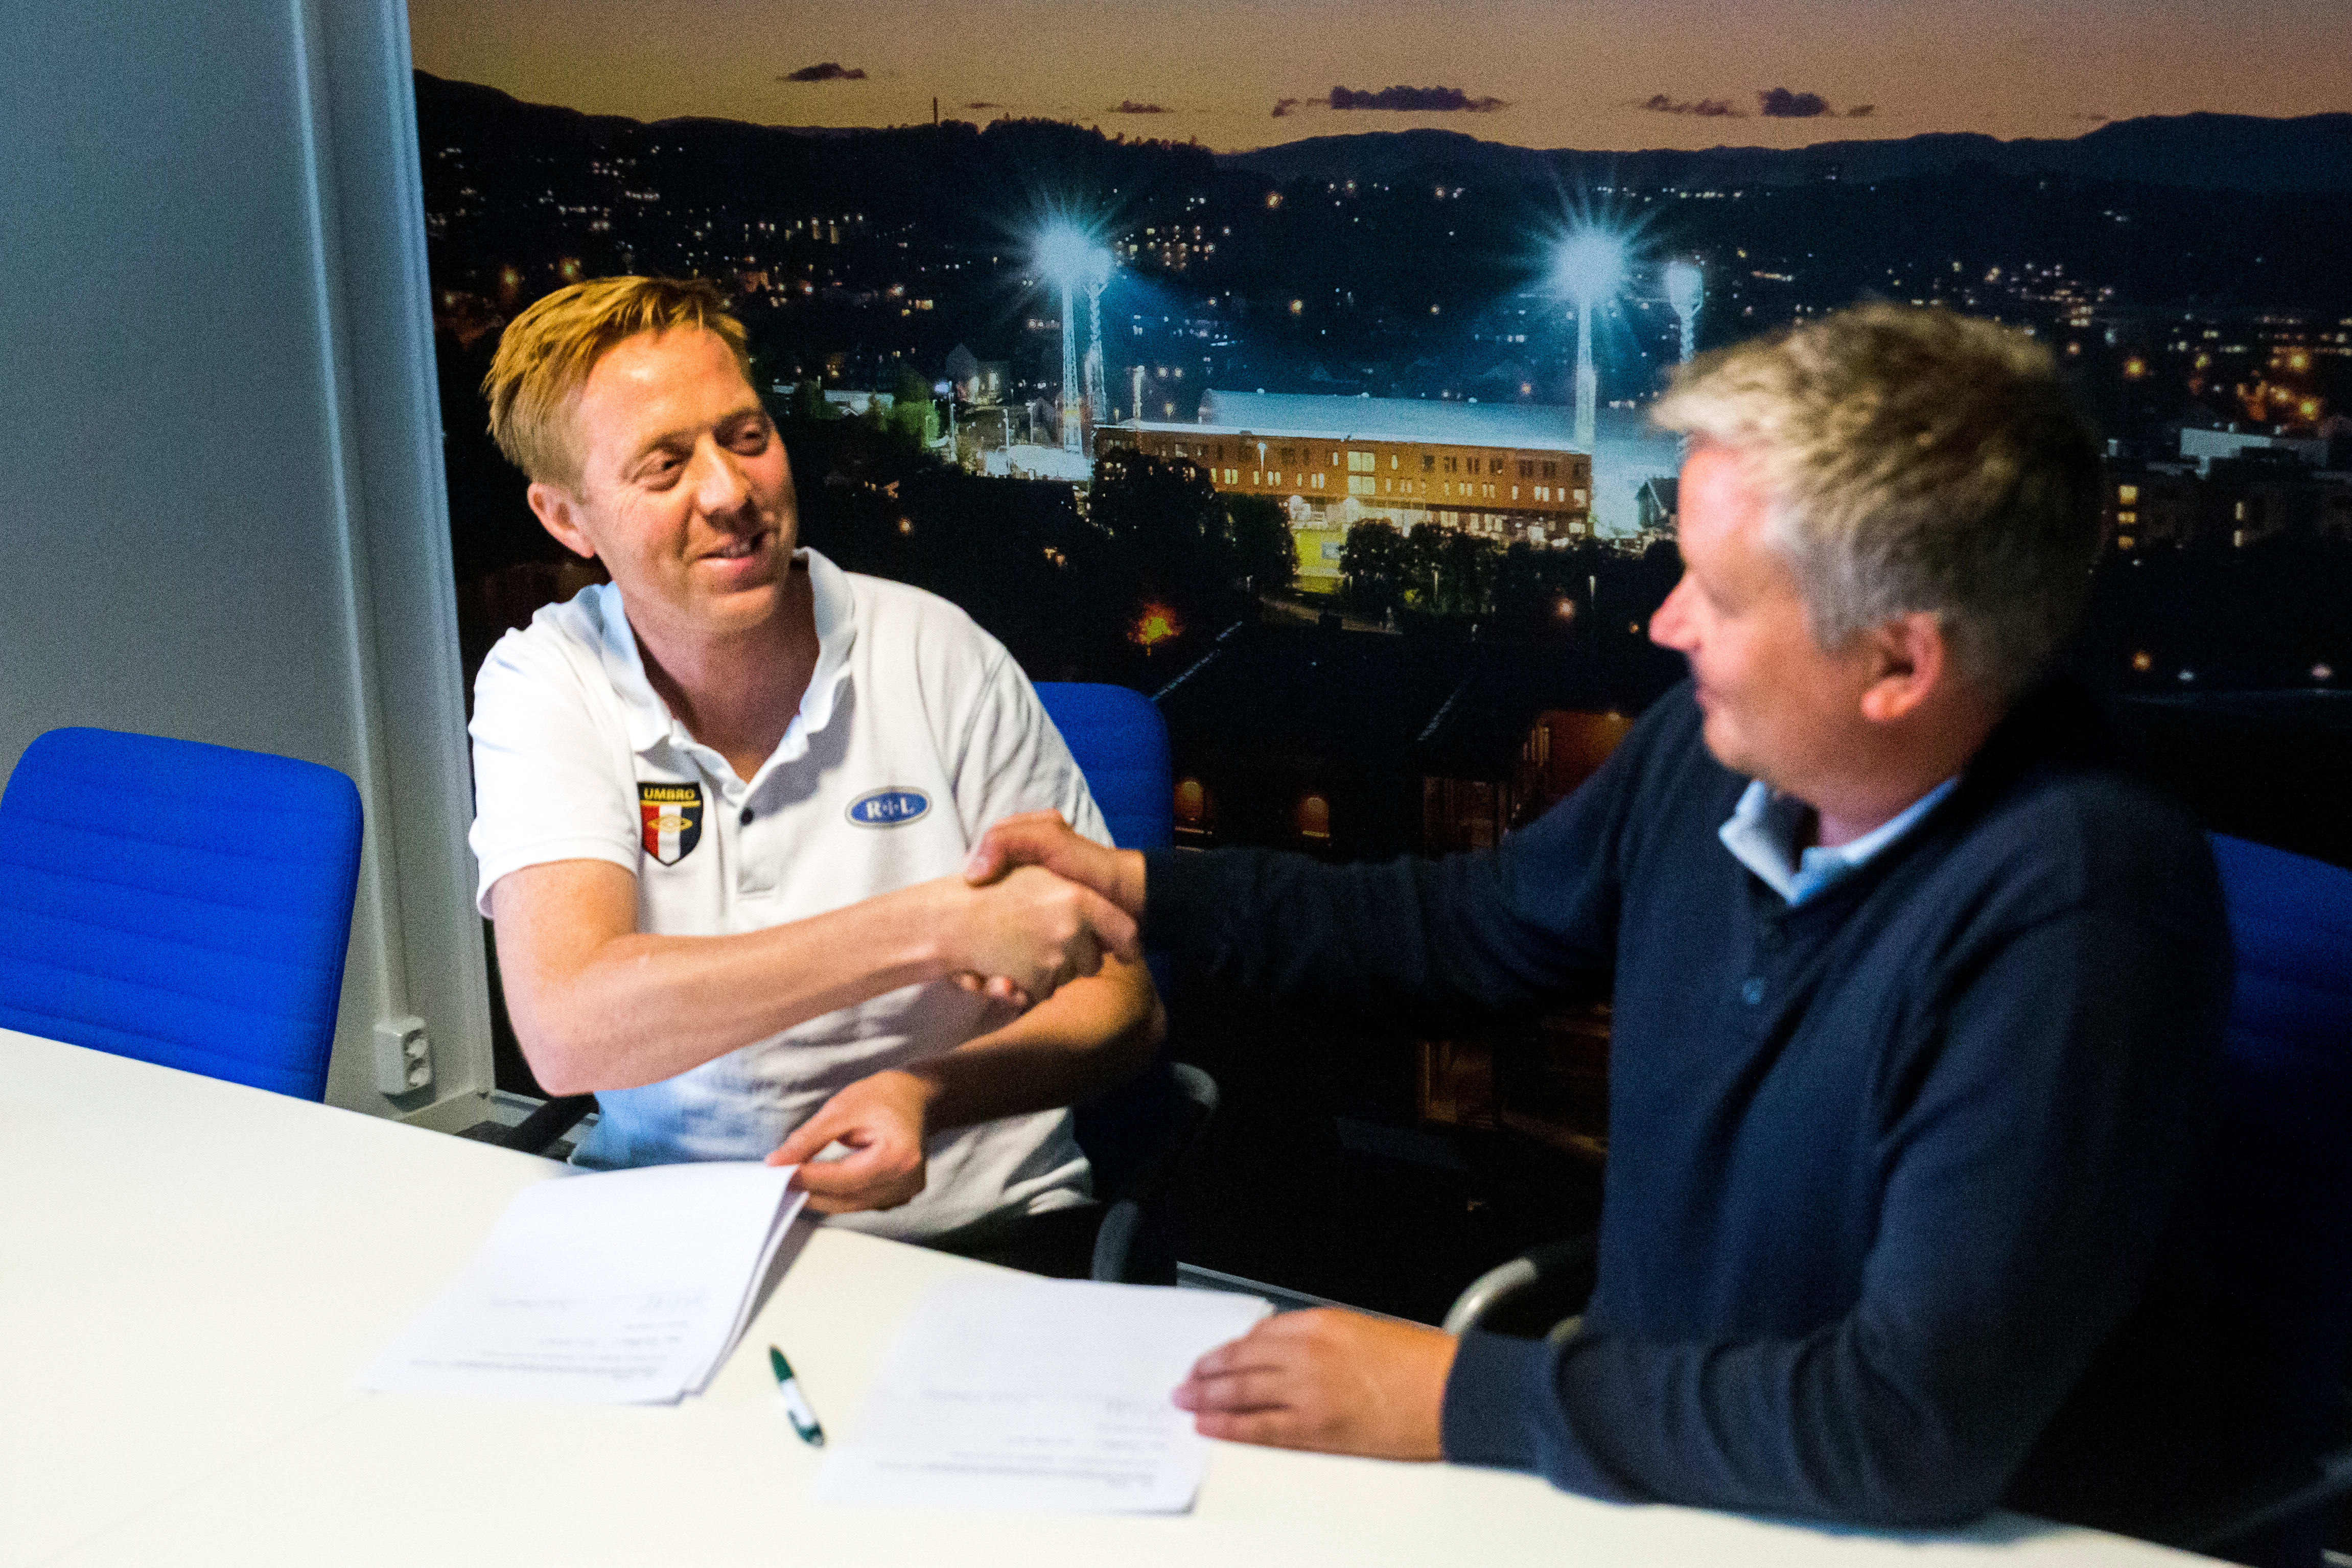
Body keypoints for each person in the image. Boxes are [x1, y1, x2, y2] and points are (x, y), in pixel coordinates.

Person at [965, 305, 2247, 1533]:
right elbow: (1463, 931)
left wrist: (1454, 1395)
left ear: (1899, 664)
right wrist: (1136, 887)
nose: (1664, 620)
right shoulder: (1718, 754)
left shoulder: (2083, 913)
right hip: (1665, 1474)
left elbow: (1905, 1426)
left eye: (1719, 596)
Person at [468, 275, 1155, 1274]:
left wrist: (929, 1091)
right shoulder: (546, 680)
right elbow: (568, 1029)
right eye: (664, 465)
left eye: (745, 436)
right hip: (664, 1236)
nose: (730, 492)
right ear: (567, 517)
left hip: (970, 1240)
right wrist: (931, 927)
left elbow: (1124, 1002)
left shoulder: (936, 653)